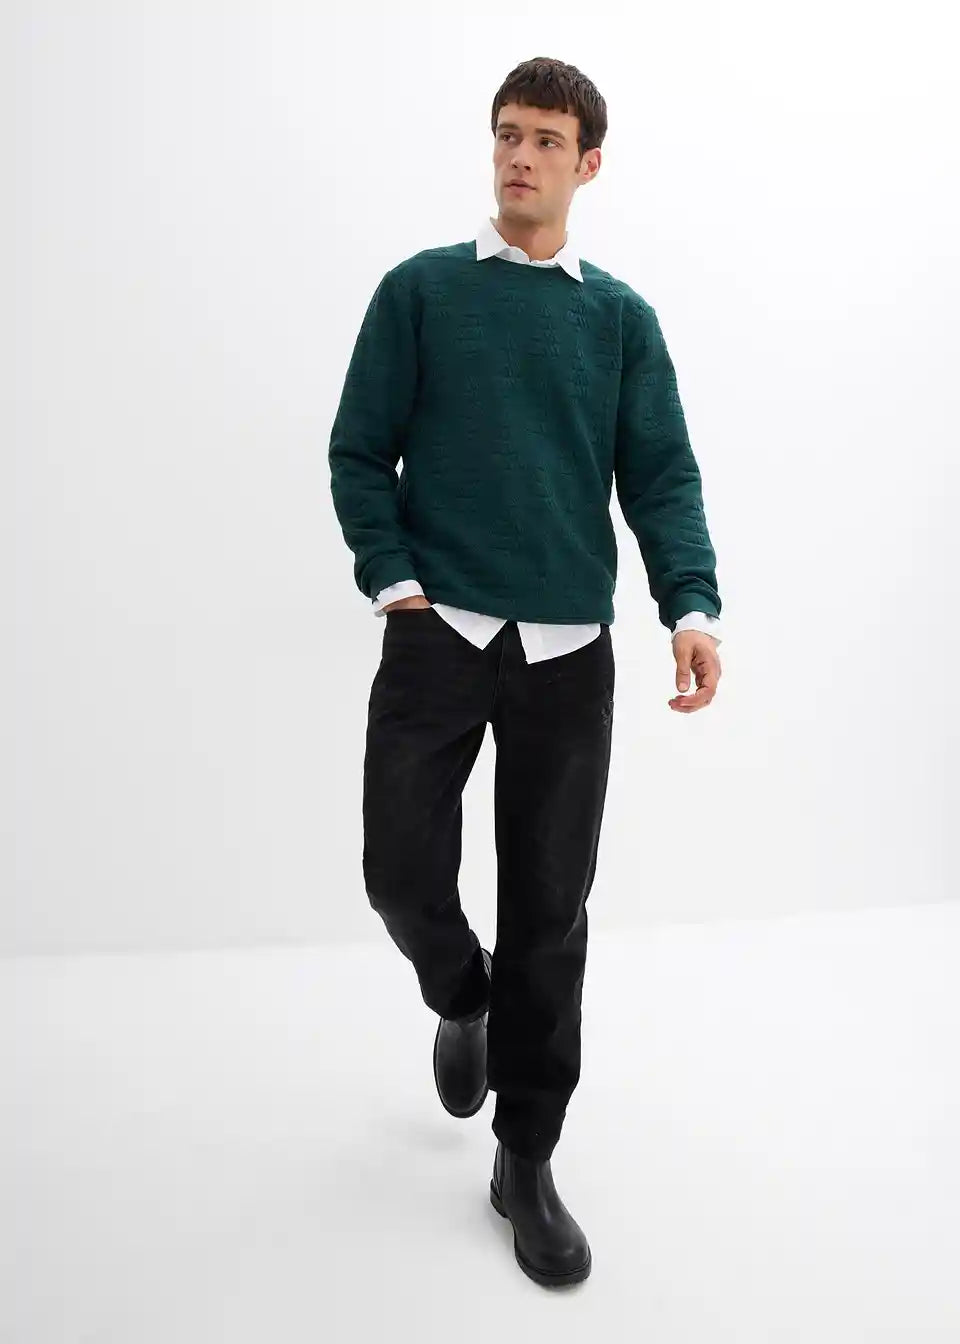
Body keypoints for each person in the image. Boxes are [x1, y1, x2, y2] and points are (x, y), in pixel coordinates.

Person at [327, 56, 723, 1288]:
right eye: (508, 134)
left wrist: (690, 607)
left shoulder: (620, 321)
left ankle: (526, 1158)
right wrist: (394, 580)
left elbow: (661, 475)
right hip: (436, 636)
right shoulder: (422, 291)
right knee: (399, 871)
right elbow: (359, 451)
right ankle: (462, 993)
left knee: (549, 915)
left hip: (566, 656)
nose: (521, 156)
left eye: (548, 140)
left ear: (587, 164)